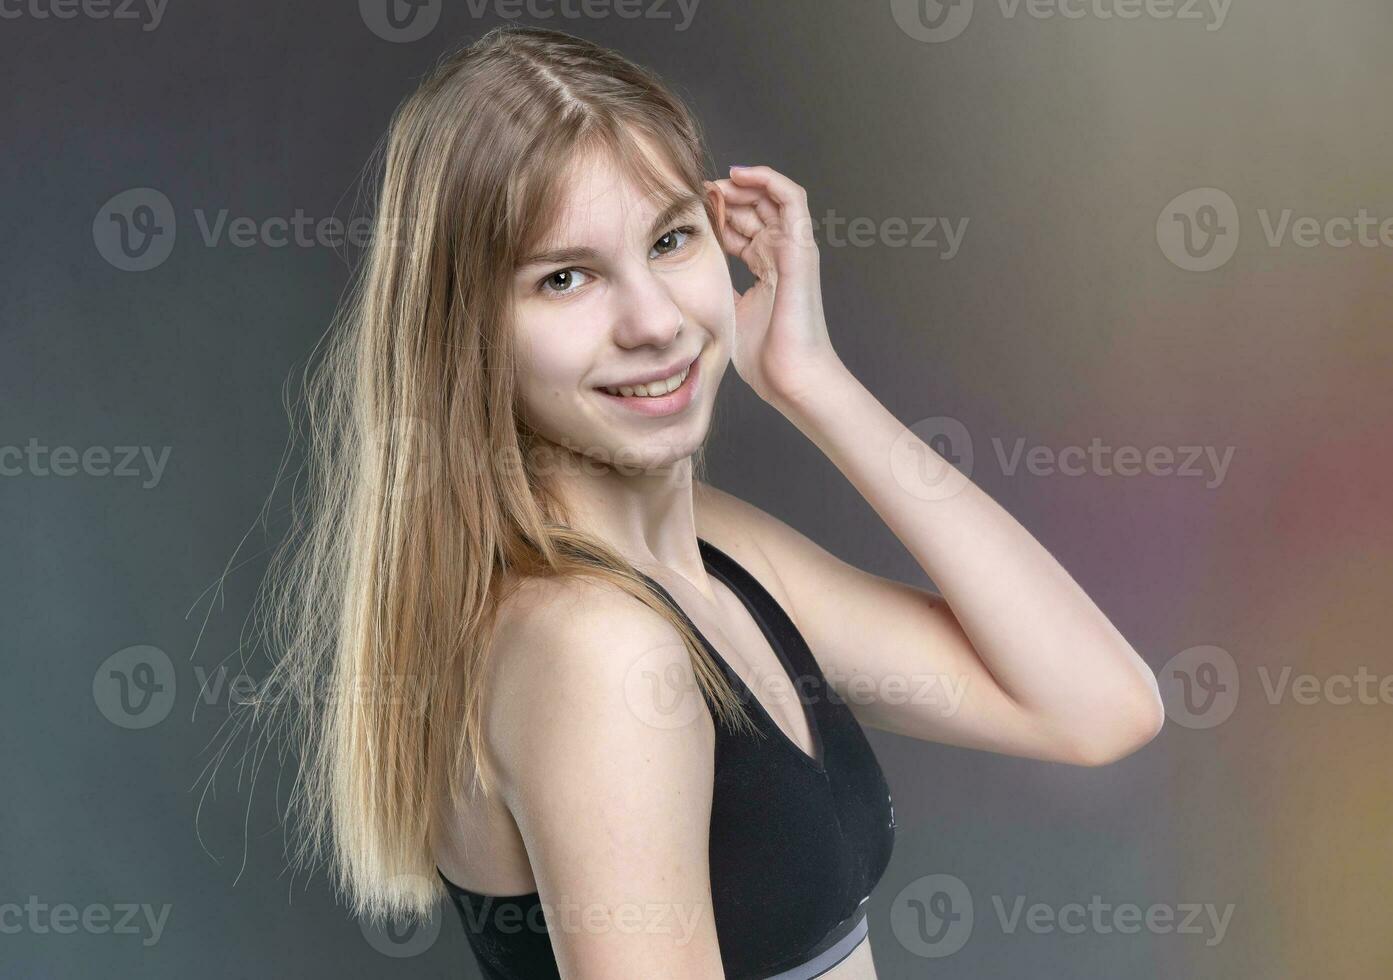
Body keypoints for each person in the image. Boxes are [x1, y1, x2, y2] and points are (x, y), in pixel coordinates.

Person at [225, 24, 1164, 980]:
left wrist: (811, 380)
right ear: (465, 337)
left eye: (670, 239)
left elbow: (1095, 707)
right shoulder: (595, 648)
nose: (654, 321)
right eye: (565, 277)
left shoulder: (714, 555)